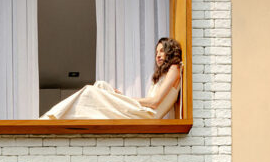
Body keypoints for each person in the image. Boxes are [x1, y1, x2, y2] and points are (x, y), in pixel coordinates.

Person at [42, 37, 182, 121]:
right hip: (143, 111)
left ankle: (52, 116)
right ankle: (58, 116)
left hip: (147, 116)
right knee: (101, 86)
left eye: (162, 51)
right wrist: (121, 98)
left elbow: (155, 102)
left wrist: (126, 99)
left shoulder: (174, 69)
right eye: (156, 52)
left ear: (170, 51)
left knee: (90, 92)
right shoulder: (163, 75)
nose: (158, 55)